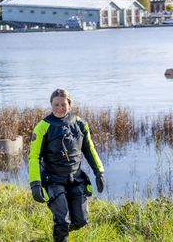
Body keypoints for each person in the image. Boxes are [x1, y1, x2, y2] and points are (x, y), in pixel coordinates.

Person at [28, 88, 105, 242]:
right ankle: (61, 233)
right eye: (56, 105)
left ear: (69, 105)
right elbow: (34, 157)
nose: (59, 108)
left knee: (81, 221)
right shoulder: (43, 127)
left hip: (76, 179)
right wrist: (35, 184)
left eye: (63, 104)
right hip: (53, 180)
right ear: (51, 105)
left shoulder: (80, 124)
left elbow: (89, 149)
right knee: (62, 220)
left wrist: (99, 172)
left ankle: (62, 231)